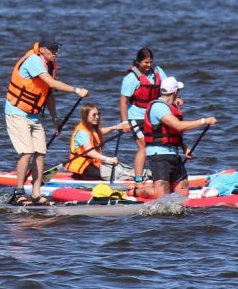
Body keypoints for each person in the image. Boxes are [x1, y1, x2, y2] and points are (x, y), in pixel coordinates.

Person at [4, 33, 89, 205]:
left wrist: (54, 119)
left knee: (40, 153)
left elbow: (48, 94)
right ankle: (19, 193)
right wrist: (76, 90)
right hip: (17, 112)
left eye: (57, 49)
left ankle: (36, 194)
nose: (56, 52)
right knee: (27, 152)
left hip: (33, 115)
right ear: (42, 50)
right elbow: (52, 84)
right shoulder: (34, 61)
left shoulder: (49, 65)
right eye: (52, 49)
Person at [131, 76, 216, 199]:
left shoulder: (171, 107)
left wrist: (184, 147)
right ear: (175, 92)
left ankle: (167, 187)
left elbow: (175, 131)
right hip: (158, 155)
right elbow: (178, 126)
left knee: (183, 194)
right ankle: (135, 191)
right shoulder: (158, 107)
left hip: (173, 154)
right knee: (160, 195)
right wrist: (204, 121)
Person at [119, 48, 183, 184]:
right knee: (144, 146)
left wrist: (177, 98)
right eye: (145, 62)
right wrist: (125, 122)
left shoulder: (158, 71)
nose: (149, 65)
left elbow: (169, 89)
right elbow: (123, 101)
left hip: (154, 115)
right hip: (136, 117)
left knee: (159, 144)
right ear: (138, 62)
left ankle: (161, 175)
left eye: (151, 62)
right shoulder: (131, 78)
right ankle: (138, 179)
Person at [64, 103, 136, 181]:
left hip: (90, 163)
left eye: (98, 114)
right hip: (81, 167)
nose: (97, 117)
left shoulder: (90, 127)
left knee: (116, 168)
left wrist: (115, 127)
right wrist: (108, 159)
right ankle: (77, 177)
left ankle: (137, 174)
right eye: (94, 115)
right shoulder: (82, 132)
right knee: (101, 174)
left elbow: (98, 133)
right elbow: (90, 153)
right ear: (86, 116)